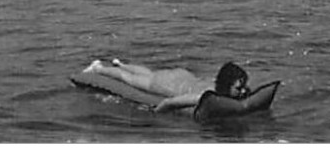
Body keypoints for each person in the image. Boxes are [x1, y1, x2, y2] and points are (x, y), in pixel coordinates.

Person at [82, 59, 251, 112]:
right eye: (238, 88)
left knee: (148, 73)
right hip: (167, 86)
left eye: (243, 87)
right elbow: (170, 103)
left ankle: (121, 63)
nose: (243, 91)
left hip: (183, 76)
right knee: (130, 80)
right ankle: (99, 68)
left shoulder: (219, 86)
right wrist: (155, 112)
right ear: (226, 85)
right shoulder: (206, 96)